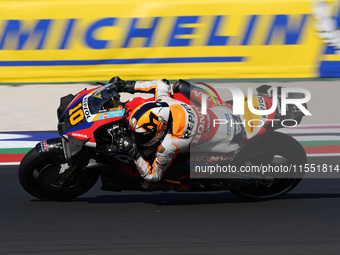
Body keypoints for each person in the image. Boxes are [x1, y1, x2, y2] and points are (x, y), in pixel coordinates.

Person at [111, 76, 244, 182]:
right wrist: (126, 85)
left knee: (174, 171)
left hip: (229, 147)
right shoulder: (168, 103)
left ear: (160, 130)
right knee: (178, 86)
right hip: (227, 111)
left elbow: (153, 176)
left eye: (143, 136)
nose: (138, 138)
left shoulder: (170, 144)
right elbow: (161, 84)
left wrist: (134, 153)